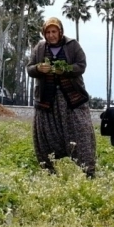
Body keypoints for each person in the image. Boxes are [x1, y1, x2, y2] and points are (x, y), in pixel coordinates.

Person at [27, 17, 96, 177]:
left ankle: (89, 172)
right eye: (48, 32)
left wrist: (65, 70)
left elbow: (81, 65)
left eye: (54, 31)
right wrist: (38, 68)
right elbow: (29, 68)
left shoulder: (72, 45)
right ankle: (49, 172)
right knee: (45, 137)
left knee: (81, 132)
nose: (51, 35)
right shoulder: (39, 48)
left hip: (72, 99)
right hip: (47, 100)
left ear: (60, 32)